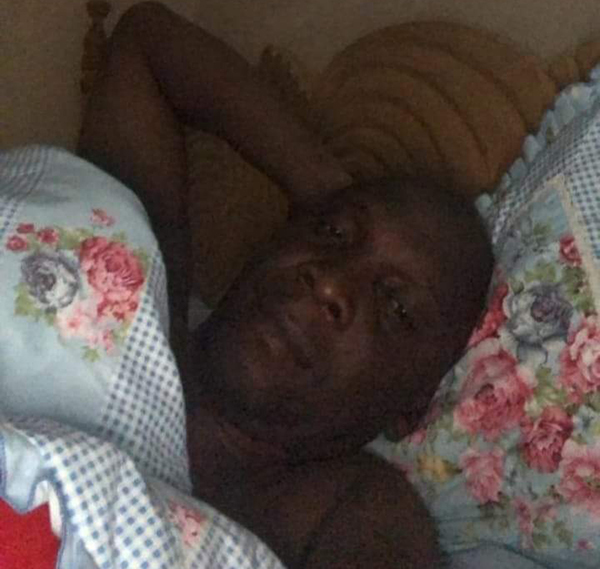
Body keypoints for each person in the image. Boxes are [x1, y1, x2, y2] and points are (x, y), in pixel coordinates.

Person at [1, 2, 492, 568]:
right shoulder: (136, 282)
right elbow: (148, 43)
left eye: (396, 307)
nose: (330, 285)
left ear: (410, 409)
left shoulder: (351, 510)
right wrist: (330, 192)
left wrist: (342, 216)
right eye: (332, 235)